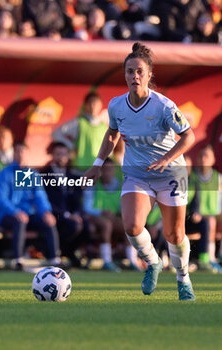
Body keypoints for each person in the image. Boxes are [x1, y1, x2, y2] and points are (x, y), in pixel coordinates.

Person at [85, 42, 196, 301]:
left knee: (175, 234)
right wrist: (97, 164)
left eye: (139, 71)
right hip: (138, 173)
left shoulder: (164, 105)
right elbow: (112, 135)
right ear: (124, 75)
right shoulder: (116, 106)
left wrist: (167, 158)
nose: (134, 76)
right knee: (133, 226)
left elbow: (188, 137)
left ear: (148, 75)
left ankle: (183, 278)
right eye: (129, 71)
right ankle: (153, 262)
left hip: (171, 173)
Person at [0, 141, 60, 270]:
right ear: (13, 154)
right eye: (17, 151)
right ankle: (18, 260)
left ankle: (55, 259)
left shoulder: (33, 174)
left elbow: (40, 197)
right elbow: (1, 199)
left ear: (28, 153)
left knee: (49, 221)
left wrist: (46, 212)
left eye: (23, 151)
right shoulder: (4, 173)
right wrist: (15, 212)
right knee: (20, 221)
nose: (20, 154)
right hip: (8, 216)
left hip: (28, 214)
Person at [83, 157, 139, 271]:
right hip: (95, 217)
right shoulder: (92, 184)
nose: (107, 173)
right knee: (106, 225)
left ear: (114, 171)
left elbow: (122, 206)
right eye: (105, 170)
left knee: (128, 226)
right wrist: (101, 212)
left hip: (113, 217)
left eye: (110, 170)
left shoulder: (120, 186)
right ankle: (107, 261)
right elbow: (86, 207)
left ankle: (132, 261)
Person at [41, 141, 90, 268]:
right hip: (53, 214)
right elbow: (46, 200)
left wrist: (76, 213)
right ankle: (53, 253)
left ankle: (69, 253)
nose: (61, 157)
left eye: (64, 154)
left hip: (70, 215)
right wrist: (67, 215)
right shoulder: (43, 174)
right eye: (58, 154)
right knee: (74, 225)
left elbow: (77, 199)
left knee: (87, 226)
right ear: (52, 155)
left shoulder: (72, 177)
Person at [190, 145, 222, 272]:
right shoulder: (191, 177)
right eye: (201, 156)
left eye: (206, 156)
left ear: (213, 159)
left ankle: (218, 255)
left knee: (213, 220)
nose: (203, 159)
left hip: (215, 215)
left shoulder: (218, 178)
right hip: (195, 217)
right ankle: (210, 259)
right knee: (210, 222)